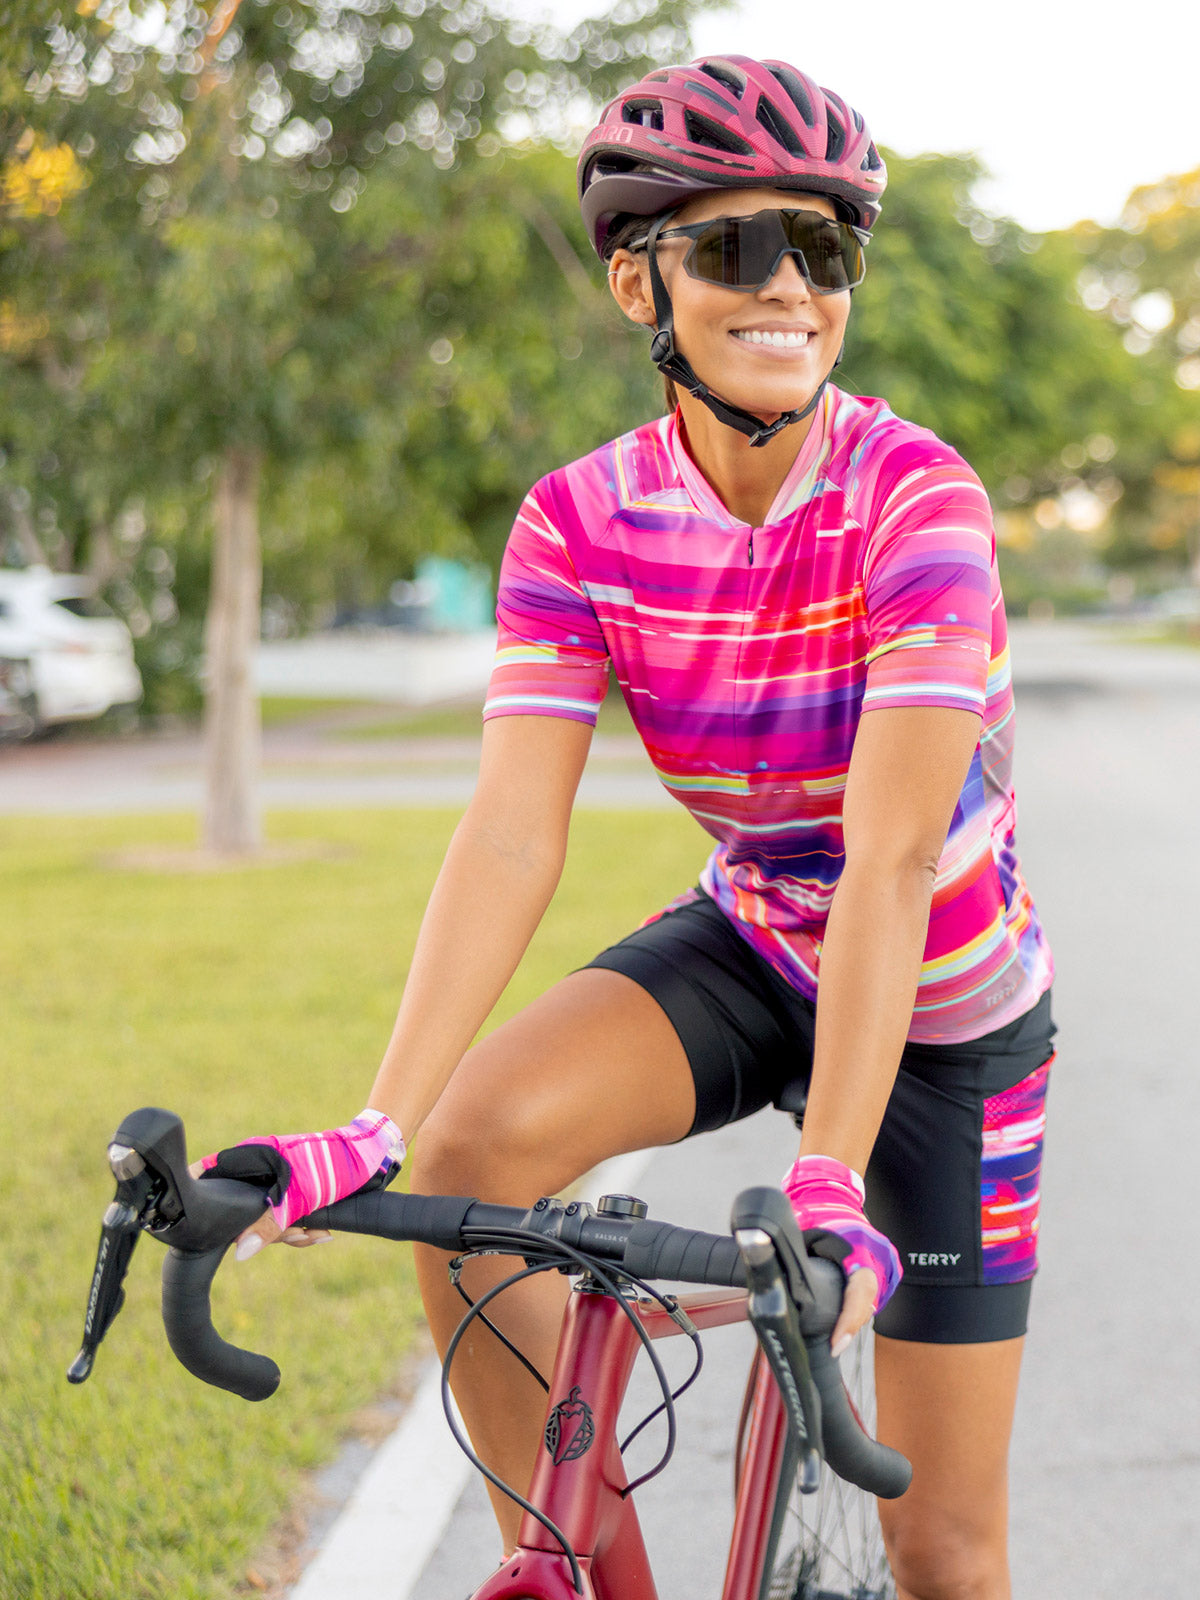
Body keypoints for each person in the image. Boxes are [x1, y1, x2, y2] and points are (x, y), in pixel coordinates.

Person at [201, 55, 1055, 1600]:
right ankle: (582, 1561)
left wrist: (831, 1179)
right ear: (635, 281)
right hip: (752, 932)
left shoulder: (916, 498)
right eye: (738, 248)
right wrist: (379, 1124)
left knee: (945, 1544)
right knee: (467, 1164)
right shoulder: (575, 520)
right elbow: (514, 833)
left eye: (827, 249)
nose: (790, 285)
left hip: (942, 999)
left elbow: (895, 857)